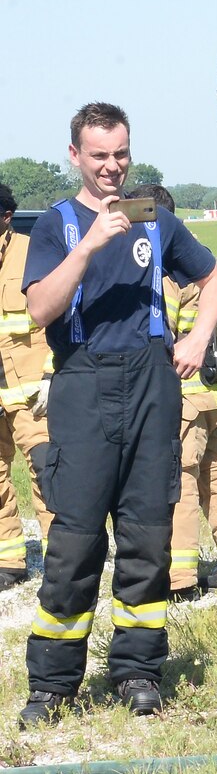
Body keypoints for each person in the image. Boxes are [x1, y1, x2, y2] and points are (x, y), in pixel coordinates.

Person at [19, 103, 217, 725]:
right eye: (100, 155)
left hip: (151, 386)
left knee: (146, 537)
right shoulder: (56, 225)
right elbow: (39, 311)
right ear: (76, 156)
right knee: (75, 540)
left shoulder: (156, 221)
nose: (112, 167)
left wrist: (197, 340)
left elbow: (214, 279)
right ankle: (53, 683)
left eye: (121, 154)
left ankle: (138, 671)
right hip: (83, 384)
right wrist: (88, 245)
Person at [124, 185, 217, 600]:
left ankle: (178, 581)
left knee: (180, 482)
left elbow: (160, 333)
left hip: (184, 400)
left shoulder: (165, 272)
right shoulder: (202, 264)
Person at [0, 184, 53, 589]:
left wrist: (54, 374)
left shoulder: (33, 252)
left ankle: (63, 560)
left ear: (5, 218)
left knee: (49, 473)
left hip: (33, 394)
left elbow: (60, 319)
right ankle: (9, 563)